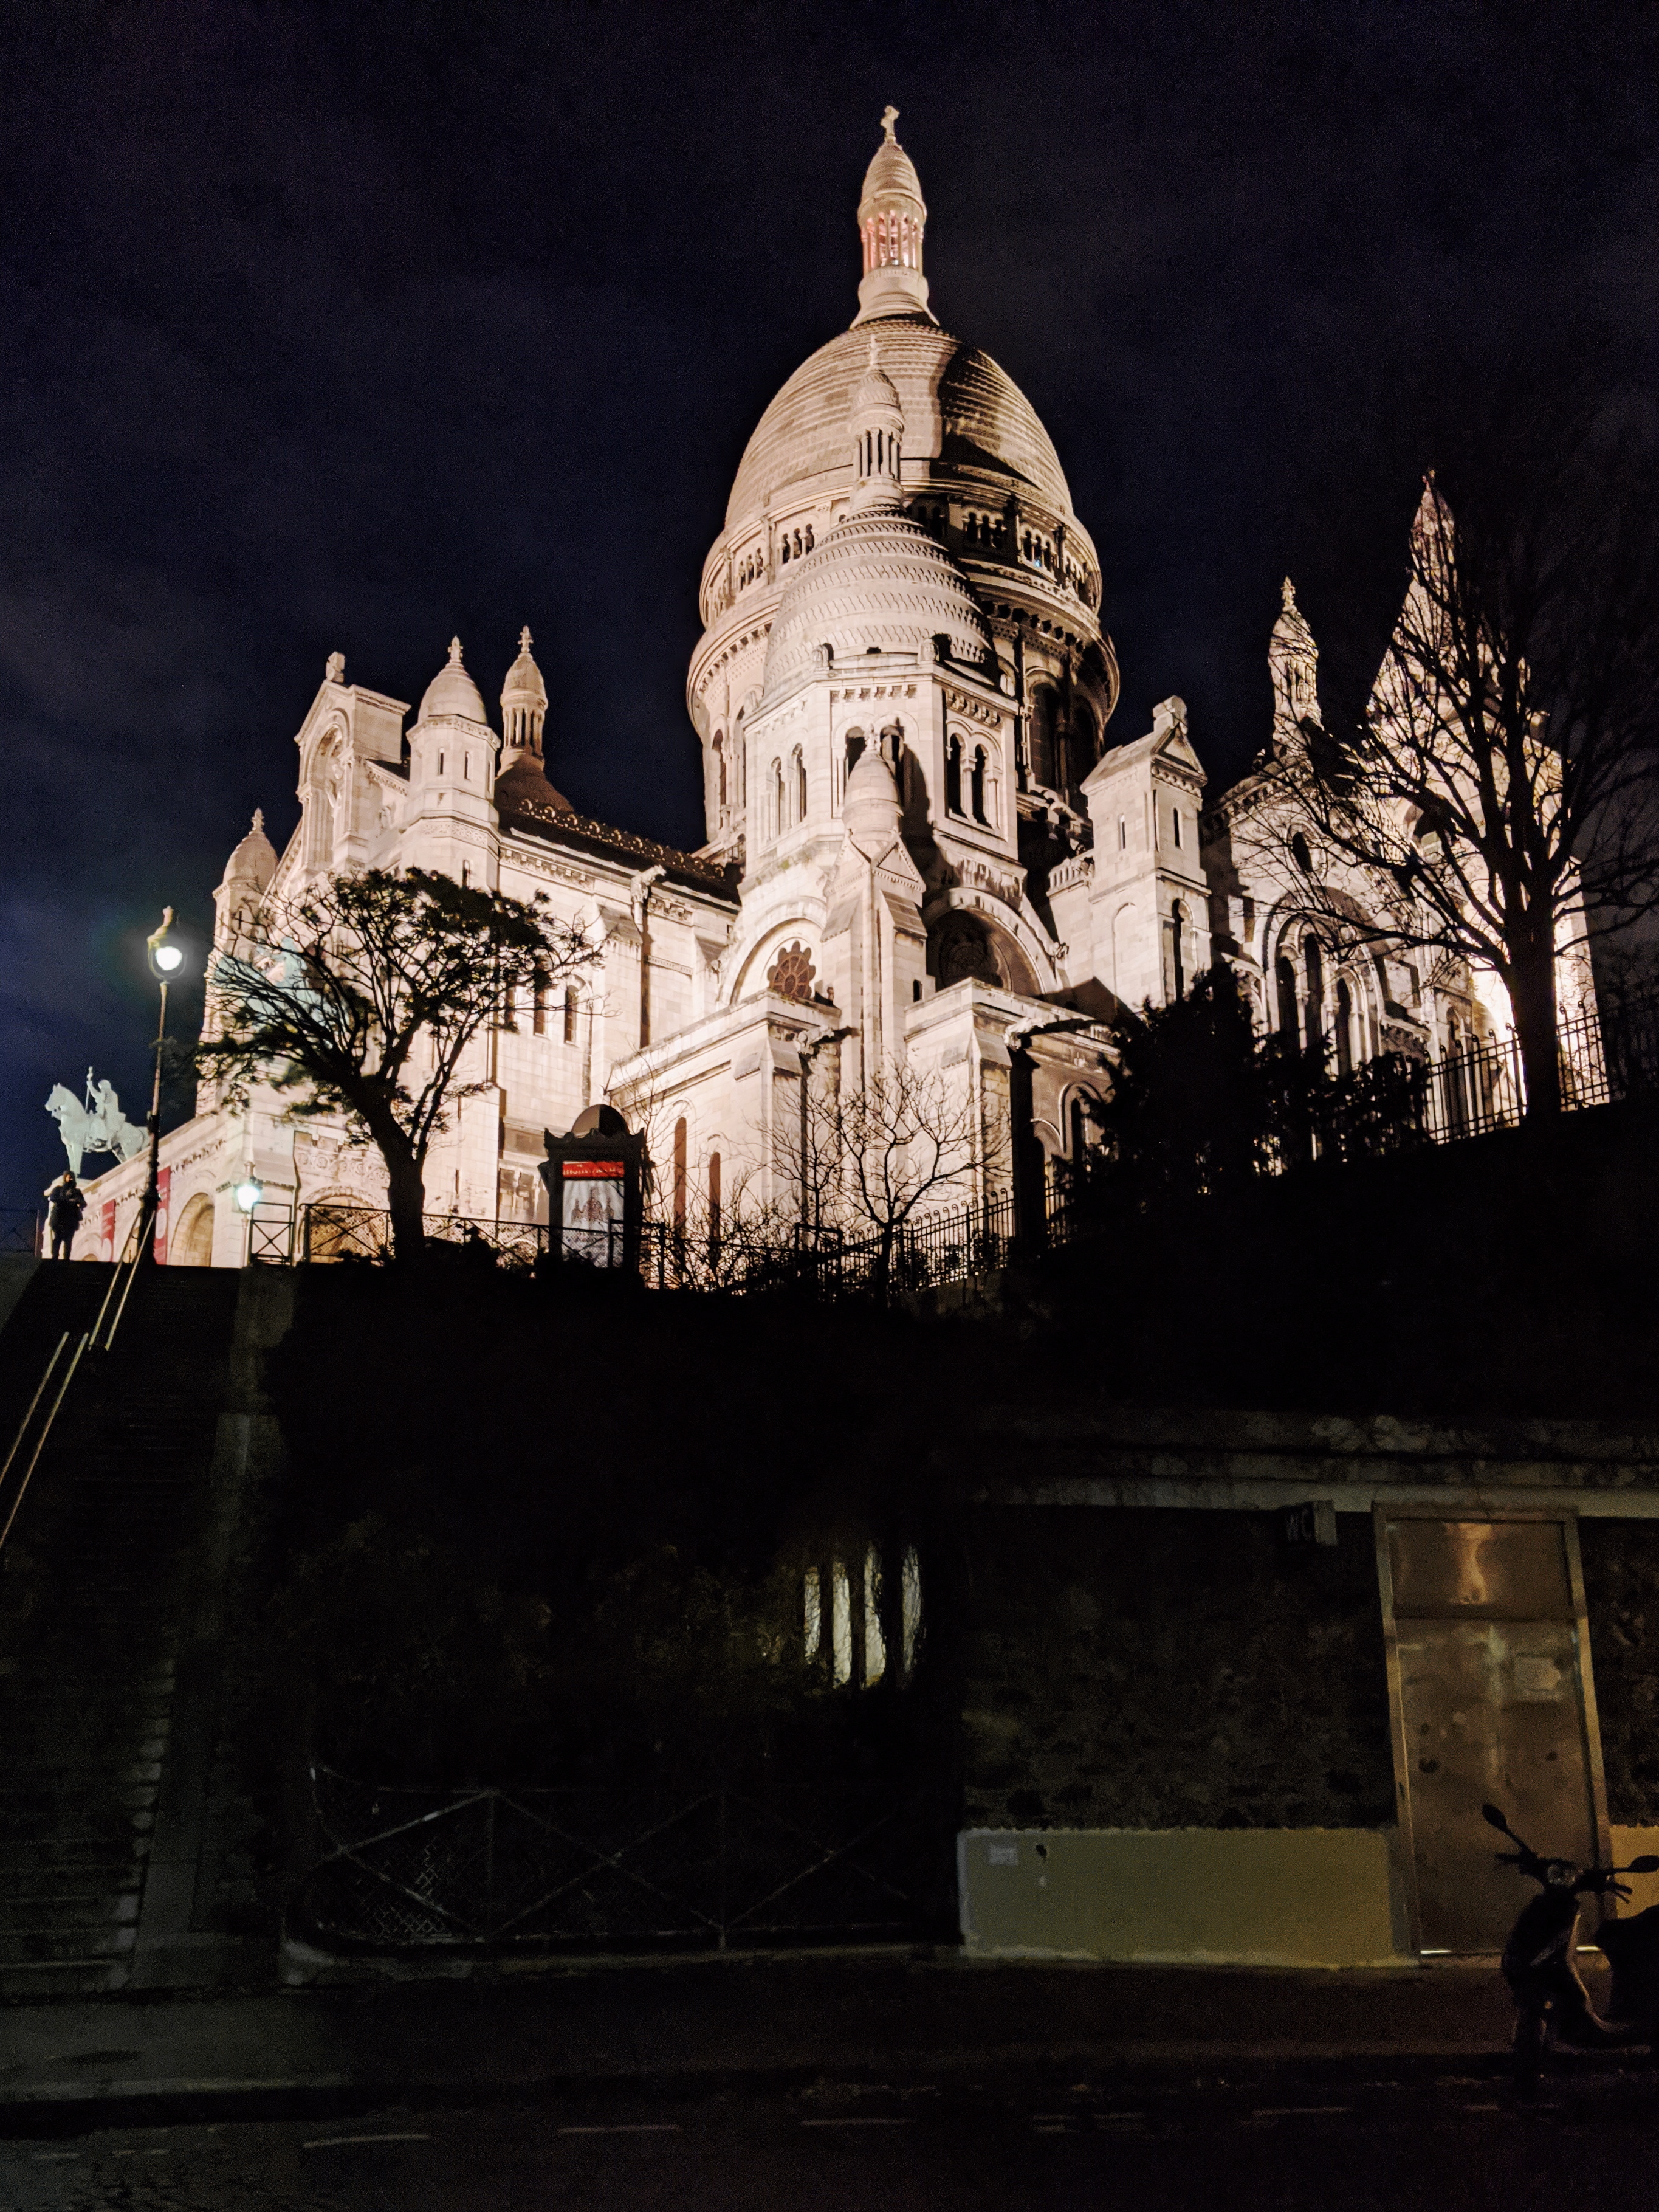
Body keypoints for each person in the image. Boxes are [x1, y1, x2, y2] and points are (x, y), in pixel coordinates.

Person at [44, 1172, 86, 1262]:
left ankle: (66, 1257)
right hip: (59, 1218)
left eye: (71, 1178)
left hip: (71, 1219)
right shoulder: (58, 1189)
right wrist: (66, 1201)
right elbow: (53, 1198)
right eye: (68, 1177)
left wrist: (75, 1202)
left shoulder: (76, 1192)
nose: (70, 1179)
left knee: (68, 1240)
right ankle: (55, 1256)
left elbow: (83, 1203)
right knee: (58, 1239)